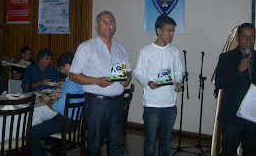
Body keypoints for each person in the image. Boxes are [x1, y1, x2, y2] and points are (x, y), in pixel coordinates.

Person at [70, 11, 132, 156]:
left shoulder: (120, 48)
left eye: (111, 22)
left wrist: (126, 78)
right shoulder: (86, 47)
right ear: (97, 25)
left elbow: (128, 71)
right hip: (96, 104)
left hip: (117, 103)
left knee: (117, 143)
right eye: (104, 22)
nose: (108, 25)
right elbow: (73, 75)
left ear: (115, 26)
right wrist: (97, 81)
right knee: (94, 143)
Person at [134, 15, 183, 156]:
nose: (171, 34)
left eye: (173, 31)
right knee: (150, 141)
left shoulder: (174, 50)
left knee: (165, 141)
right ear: (159, 30)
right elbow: (138, 72)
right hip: (152, 104)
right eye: (168, 30)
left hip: (170, 104)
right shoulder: (146, 50)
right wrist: (147, 83)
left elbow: (179, 71)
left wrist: (178, 81)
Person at [30, 52, 84, 156]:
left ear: (67, 67)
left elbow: (56, 108)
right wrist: (61, 94)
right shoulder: (81, 79)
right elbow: (74, 95)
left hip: (65, 123)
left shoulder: (69, 83)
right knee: (46, 122)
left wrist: (47, 101)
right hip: (77, 122)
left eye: (62, 69)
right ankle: (55, 149)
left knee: (31, 132)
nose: (62, 71)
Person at [215, 23, 256, 155]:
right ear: (238, 38)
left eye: (252, 37)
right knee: (228, 152)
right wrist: (238, 70)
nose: (249, 41)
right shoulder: (227, 58)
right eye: (245, 37)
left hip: (253, 116)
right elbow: (219, 83)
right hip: (232, 116)